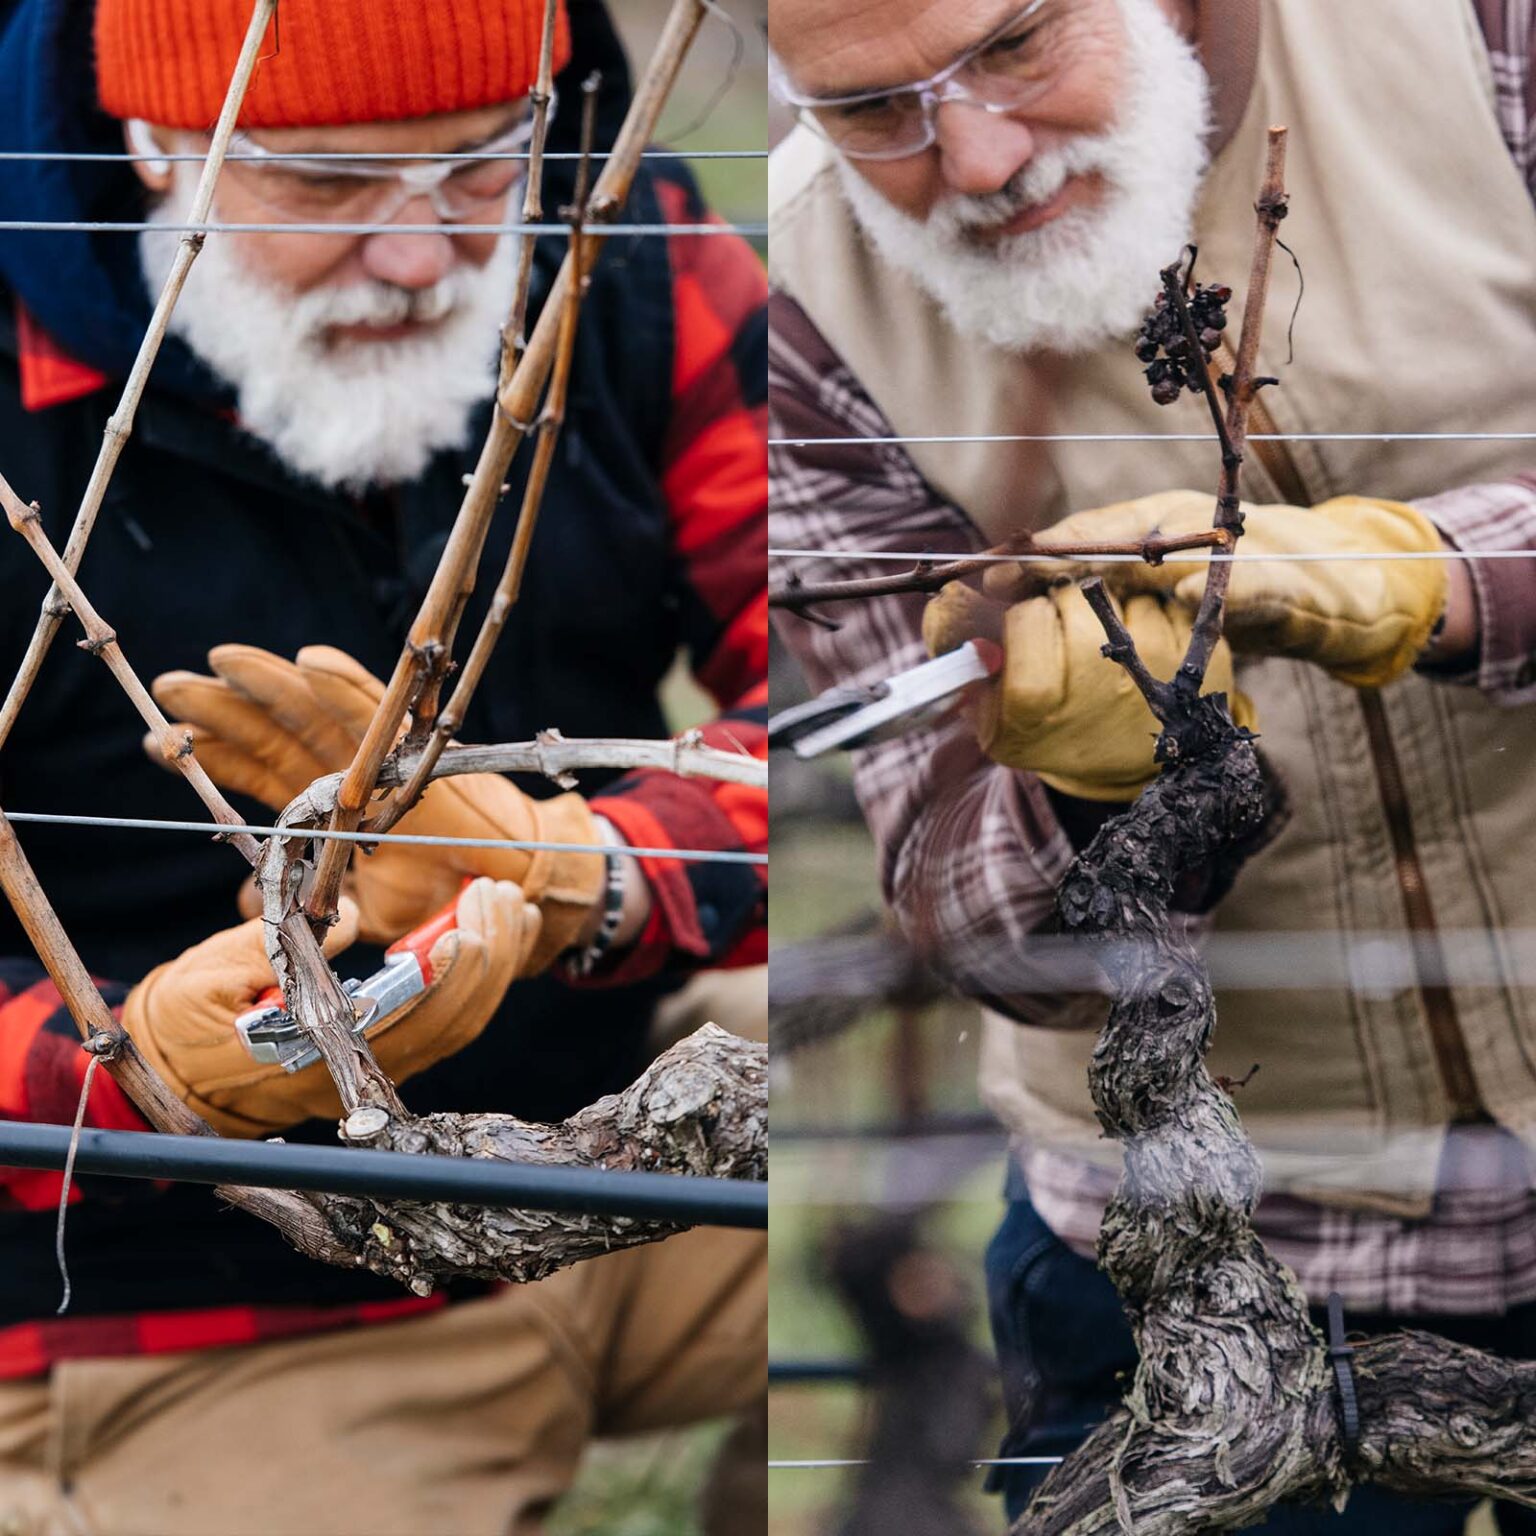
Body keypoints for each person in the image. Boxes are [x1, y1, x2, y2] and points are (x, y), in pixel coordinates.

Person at [767, 1, 1536, 1530]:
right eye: (869, 112)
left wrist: (1420, 579)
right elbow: (963, 909)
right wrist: (1087, 800)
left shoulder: (1474, 26)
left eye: (1018, 42)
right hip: (1200, 1282)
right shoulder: (798, 300)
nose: (975, 157)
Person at [0, 0, 767, 1530]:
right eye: (331, 183)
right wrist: (132, 1074)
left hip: (626, 1163)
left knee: (996, 1236)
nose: (424, 254)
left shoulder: (628, 242)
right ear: (157, 147)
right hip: (193, 1322)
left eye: (483, 161)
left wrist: (596, 876)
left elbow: (847, 691)